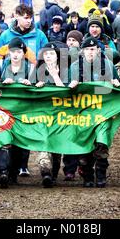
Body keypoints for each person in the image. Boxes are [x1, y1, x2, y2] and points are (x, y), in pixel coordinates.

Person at [69, 37, 120, 188]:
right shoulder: (74, 67)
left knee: (101, 142)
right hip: (83, 111)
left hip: (103, 110)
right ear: (82, 51)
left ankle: (101, 174)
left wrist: (112, 83)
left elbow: (115, 88)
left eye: (93, 49)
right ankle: (87, 176)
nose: (90, 52)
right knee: (85, 143)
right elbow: (68, 92)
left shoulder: (108, 65)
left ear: (98, 51)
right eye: (87, 49)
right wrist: (72, 86)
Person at [0, 37, 36, 188]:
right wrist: (2, 85)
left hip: (23, 110)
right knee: (4, 140)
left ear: (24, 53)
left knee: (20, 142)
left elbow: (39, 90)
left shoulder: (31, 68)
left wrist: (30, 85)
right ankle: (3, 172)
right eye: (12, 51)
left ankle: (14, 173)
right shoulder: (1, 65)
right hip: (4, 110)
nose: (15, 54)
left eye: (18, 51)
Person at [34, 42, 68, 187]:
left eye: (52, 54)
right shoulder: (38, 70)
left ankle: (54, 173)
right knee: (44, 141)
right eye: (46, 54)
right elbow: (29, 89)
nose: (48, 56)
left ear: (57, 55)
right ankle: (45, 173)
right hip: (43, 112)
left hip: (61, 113)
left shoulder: (65, 69)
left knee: (56, 144)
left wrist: (55, 76)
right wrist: (36, 87)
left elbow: (66, 91)